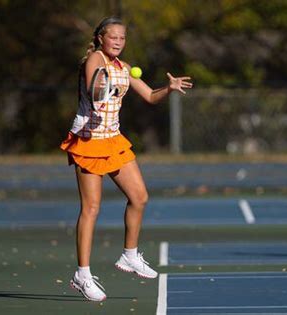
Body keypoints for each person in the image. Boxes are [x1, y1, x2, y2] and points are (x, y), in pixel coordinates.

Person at [60, 17, 193, 302]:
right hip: (88, 141)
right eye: (113, 37)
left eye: (122, 38)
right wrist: (105, 90)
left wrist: (168, 89)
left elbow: (149, 95)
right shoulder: (94, 59)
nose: (119, 42)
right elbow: (95, 92)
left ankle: (129, 255)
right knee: (91, 208)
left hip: (113, 139)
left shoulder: (123, 68)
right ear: (100, 39)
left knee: (140, 197)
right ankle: (82, 274)